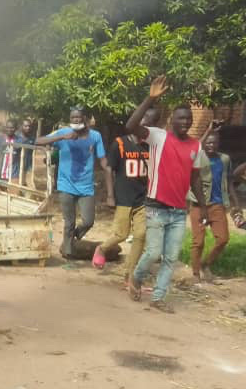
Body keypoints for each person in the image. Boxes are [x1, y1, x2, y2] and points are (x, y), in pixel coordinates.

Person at [125, 76, 208, 312]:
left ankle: (159, 297)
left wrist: (202, 206)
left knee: (170, 258)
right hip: (155, 207)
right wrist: (150, 98)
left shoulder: (196, 146)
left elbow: (195, 178)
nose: (186, 122)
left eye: (189, 119)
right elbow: (131, 127)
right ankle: (137, 277)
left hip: (178, 211)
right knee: (153, 253)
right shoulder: (158, 136)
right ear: (172, 120)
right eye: (181, 118)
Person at [93, 109, 158, 283]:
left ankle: (129, 273)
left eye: (151, 123)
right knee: (121, 234)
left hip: (143, 198)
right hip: (123, 197)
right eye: (145, 121)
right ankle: (101, 248)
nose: (147, 125)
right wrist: (110, 195)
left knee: (141, 235)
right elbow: (108, 169)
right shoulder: (120, 144)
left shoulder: (151, 146)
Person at [35, 109, 109, 258]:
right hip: (65, 185)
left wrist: (108, 171)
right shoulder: (64, 133)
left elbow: (102, 158)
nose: (75, 120)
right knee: (69, 222)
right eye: (72, 117)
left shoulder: (95, 136)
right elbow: (38, 141)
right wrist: (61, 137)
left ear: (85, 119)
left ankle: (72, 238)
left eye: (78, 117)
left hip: (86, 187)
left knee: (88, 221)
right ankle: (68, 253)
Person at [188, 132, 240, 283]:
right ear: (204, 144)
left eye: (214, 143)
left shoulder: (224, 159)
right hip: (198, 205)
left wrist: (235, 202)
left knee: (223, 239)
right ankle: (196, 273)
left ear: (218, 144)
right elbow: (194, 149)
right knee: (198, 241)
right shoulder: (198, 157)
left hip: (217, 204)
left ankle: (206, 265)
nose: (211, 145)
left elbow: (229, 181)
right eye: (208, 143)